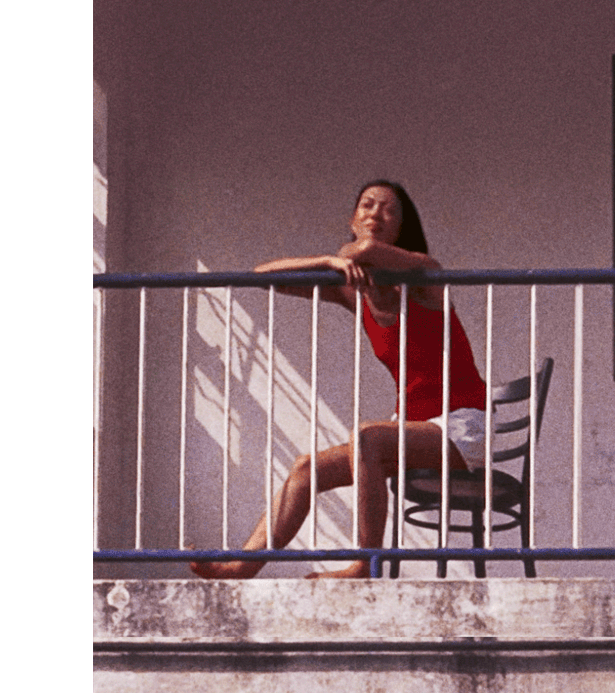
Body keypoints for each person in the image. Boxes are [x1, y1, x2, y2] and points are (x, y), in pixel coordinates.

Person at [192, 181, 487, 580]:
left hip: (463, 426)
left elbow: (359, 251)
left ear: (402, 228)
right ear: (352, 218)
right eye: (367, 205)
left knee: (367, 437)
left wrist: (346, 253)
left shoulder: (423, 275)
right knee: (305, 469)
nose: (375, 214)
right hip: (411, 427)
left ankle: (364, 564)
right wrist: (326, 261)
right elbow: (260, 276)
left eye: (389, 210)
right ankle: (242, 566)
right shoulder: (354, 292)